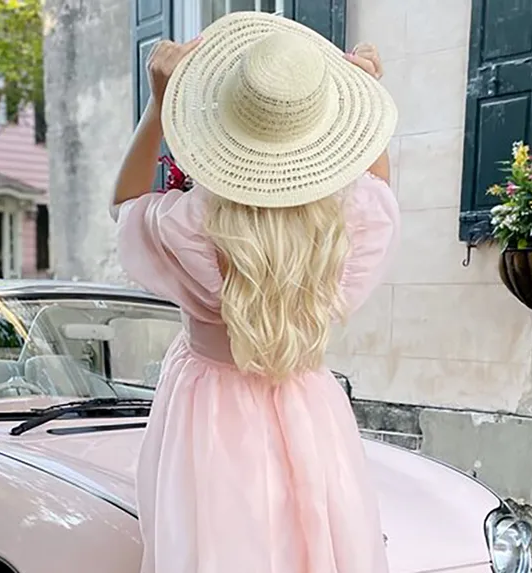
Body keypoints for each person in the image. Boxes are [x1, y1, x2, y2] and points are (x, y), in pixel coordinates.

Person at [110, 11, 399, 573]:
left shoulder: (187, 225)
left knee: (214, 547)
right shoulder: (347, 224)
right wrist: (366, 90)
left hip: (207, 410)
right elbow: (379, 188)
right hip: (308, 407)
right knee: (310, 543)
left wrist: (158, 106)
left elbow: (124, 203)